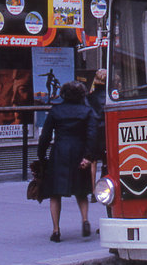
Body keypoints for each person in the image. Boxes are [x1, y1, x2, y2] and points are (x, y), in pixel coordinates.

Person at [38, 80, 96, 242]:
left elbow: (45, 136)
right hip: (79, 151)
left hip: (60, 153)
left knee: (55, 193)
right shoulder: (87, 111)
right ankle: (85, 220)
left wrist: (41, 155)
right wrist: (88, 157)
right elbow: (92, 136)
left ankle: (56, 230)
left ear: (63, 94)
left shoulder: (56, 111)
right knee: (81, 191)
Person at [87, 69, 107, 203]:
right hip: (105, 130)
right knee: (106, 162)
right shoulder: (109, 97)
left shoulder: (90, 96)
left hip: (93, 130)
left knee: (93, 162)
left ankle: (93, 191)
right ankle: (104, 188)